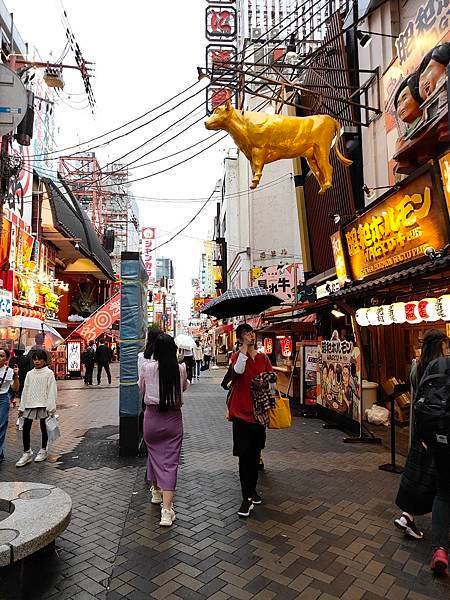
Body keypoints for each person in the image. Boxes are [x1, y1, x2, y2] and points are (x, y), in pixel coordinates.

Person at [394, 330, 449, 541]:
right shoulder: (442, 367)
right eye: (445, 345)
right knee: (435, 479)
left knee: (419, 477)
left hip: (421, 428)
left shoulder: (417, 367)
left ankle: (407, 516)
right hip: (440, 431)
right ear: (440, 346)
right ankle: (418, 519)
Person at [139, 334, 189, 527]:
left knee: (153, 453)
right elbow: (183, 387)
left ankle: (155, 492)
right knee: (169, 463)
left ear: (156, 351)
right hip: (173, 419)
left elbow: (141, 389)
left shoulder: (147, 368)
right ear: (174, 350)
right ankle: (167, 512)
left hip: (151, 418)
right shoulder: (180, 369)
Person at [228, 323, 273, 518]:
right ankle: (245, 497)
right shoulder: (237, 357)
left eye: (251, 332)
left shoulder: (263, 358)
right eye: (246, 333)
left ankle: (252, 489)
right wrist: (243, 349)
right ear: (239, 338)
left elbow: (272, 379)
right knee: (244, 455)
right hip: (240, 413)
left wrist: (265, 381)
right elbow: (237, 372)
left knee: (255, 455)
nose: (251, 335)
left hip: (258, 414)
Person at [16, 349, 57, 467]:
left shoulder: (49, 373)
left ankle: (44, 450)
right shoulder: (30, 374)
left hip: (43, 404)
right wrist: (22, 406)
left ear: (44, 360)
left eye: (39, 359)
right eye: (35, 359)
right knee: (25, 428)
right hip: (30, 403)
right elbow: (25, 390)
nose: (37, 361)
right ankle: (27, 453)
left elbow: (51, 391)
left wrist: (51, 408)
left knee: (44, 428)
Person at [0, 349, 19, 462]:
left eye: (1, 356)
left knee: (1, 425)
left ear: (6, 359)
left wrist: (16, 376)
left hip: (3, 399)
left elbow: (15, 388)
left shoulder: (10, 371)